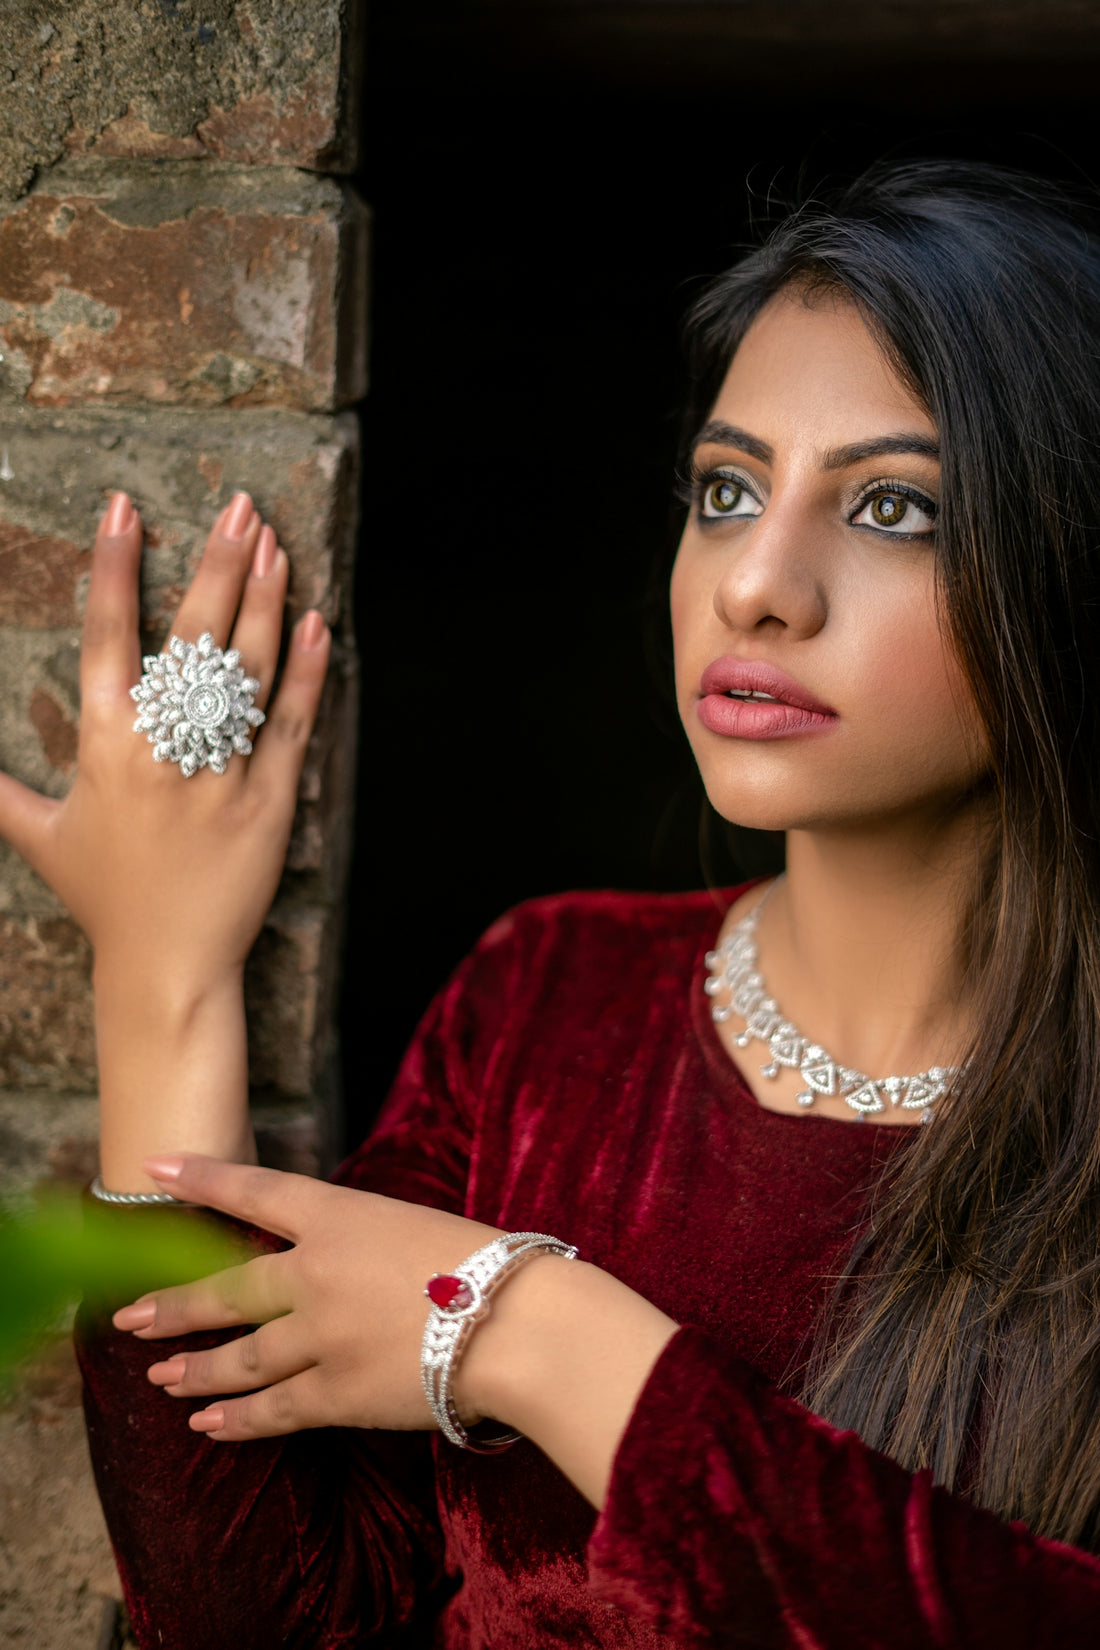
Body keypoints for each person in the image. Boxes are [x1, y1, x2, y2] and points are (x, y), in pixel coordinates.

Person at [5, 157, 1100, 1648]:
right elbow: (271, 1615)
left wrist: (532, 1334)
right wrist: (163, 975)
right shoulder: (546, 995)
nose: (758, 585)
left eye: (894, 508)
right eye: (727, 489)